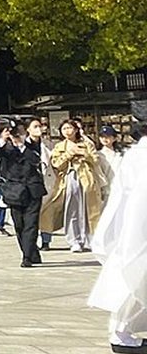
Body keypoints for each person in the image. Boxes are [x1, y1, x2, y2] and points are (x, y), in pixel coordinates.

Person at [87, 134, 146, 353]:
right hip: (138, 226)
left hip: (132, 225)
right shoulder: (141, 155)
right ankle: (121, 333)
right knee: (134, 278)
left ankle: (121, 332)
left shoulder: (135, 155)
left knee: (133, 278)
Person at [0, 118, 49, 267]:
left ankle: (27, 257)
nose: (18, 135)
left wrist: (22, 145)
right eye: (16, 133)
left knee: (31, 224)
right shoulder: (6, 146)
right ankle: (32, 253)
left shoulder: (32, 143)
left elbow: (35, 160)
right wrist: (2, 139)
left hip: (32, 189)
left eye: (21, 132)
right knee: (19, 225)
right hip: (14, 190)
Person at [46, 119, 104, 252]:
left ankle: (90, 238)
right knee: (71, 209)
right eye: (64, 128)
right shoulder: (59, 146)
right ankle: (74, 239)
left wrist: (85, 155)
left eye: (69, 128)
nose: (67, 131)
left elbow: (95, 159)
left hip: (86, 177)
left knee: (89, 208)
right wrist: (68, 154)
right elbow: (56, 164)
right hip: (69, 177)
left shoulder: (86, 144)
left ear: (76, 130)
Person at [99, 125, 127, 199]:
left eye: (107, 136)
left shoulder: (120, 155)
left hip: (118, 189)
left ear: (114, 138)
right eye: (102, 137)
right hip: (103, 190)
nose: (104, 139)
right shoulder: (97, 155)